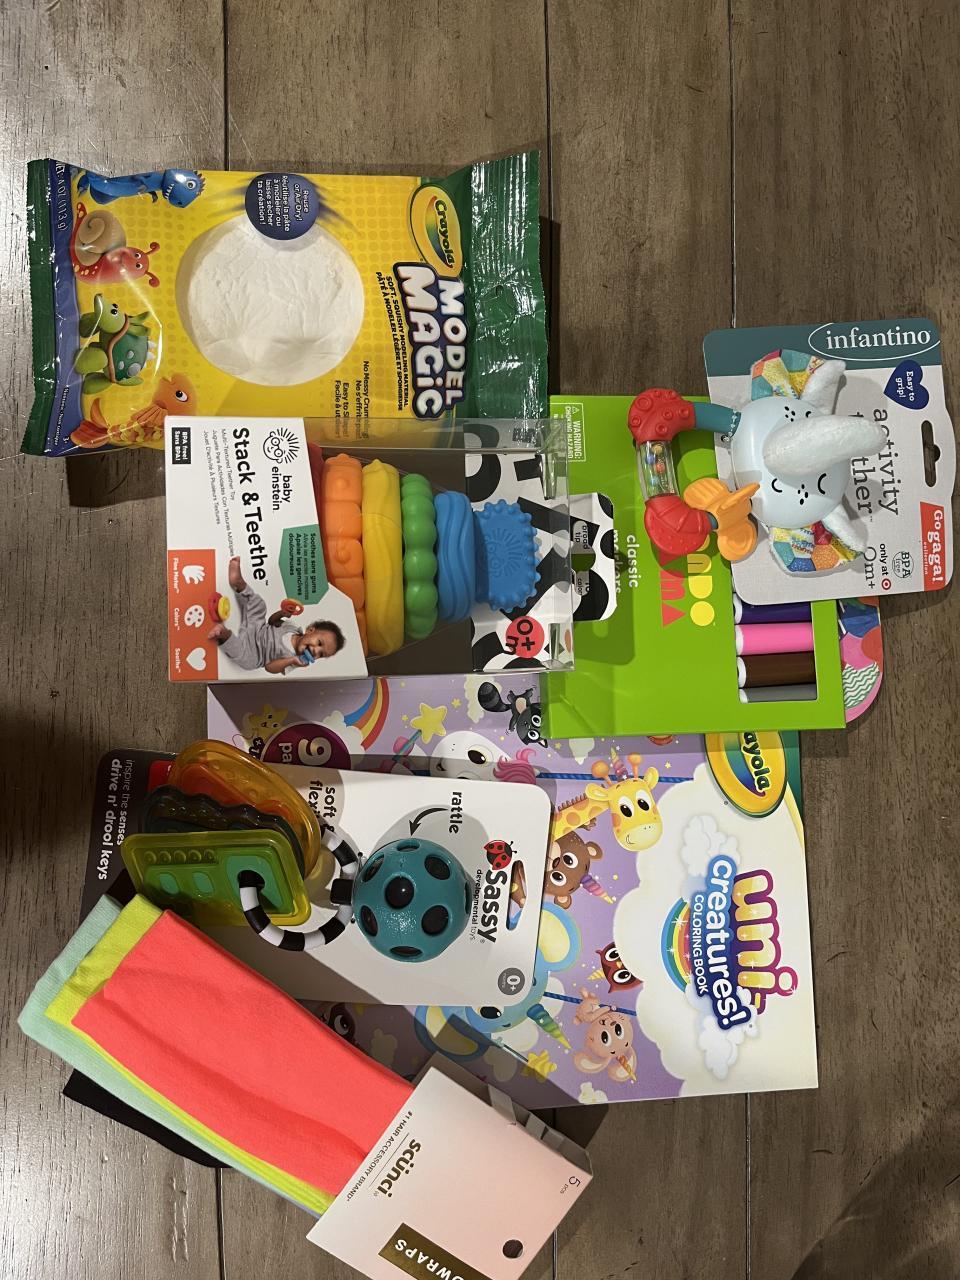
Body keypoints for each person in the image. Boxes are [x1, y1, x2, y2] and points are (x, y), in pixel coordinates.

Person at [209, 557, 345, 675]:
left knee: (248, 663)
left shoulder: (295, 660)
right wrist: (282, 613)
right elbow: (272, 621)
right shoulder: (293, 627)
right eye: (319, 643)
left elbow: (269, 667)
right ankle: (239, 583)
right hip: (258, 628)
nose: (316, 651)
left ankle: (224, 635)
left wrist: (291, 661)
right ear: (310, 630)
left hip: (255, 653)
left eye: (321, 654)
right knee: (260, 605)